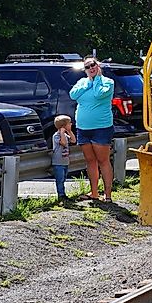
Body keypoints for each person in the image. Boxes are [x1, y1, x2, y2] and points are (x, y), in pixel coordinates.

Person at [70, 57, 116, 201]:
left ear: (98, 66)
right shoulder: (82, 82)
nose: (91, 68)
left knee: (103, 160)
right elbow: (73, 95)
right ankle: (94, 192)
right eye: (87, 66)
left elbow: (98, 94)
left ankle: (107, 195)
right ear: (84, 69)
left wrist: (96, 80)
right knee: (90, 160)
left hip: (101, 127)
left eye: (93, 65)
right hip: (83, 128)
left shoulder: (108, 82)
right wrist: (88, 83)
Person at [51, 114, 76, 200]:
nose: (71, 124)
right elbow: (64, 143)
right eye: (69, 123)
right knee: (60, 179)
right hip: (58, 162)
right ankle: (61, 195)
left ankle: (63, 193)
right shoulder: (56, 136)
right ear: (63, 126)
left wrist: (69, 132)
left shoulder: (65, 135)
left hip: (65, 161)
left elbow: (73, 140)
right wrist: (62, 132)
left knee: (64, 178)